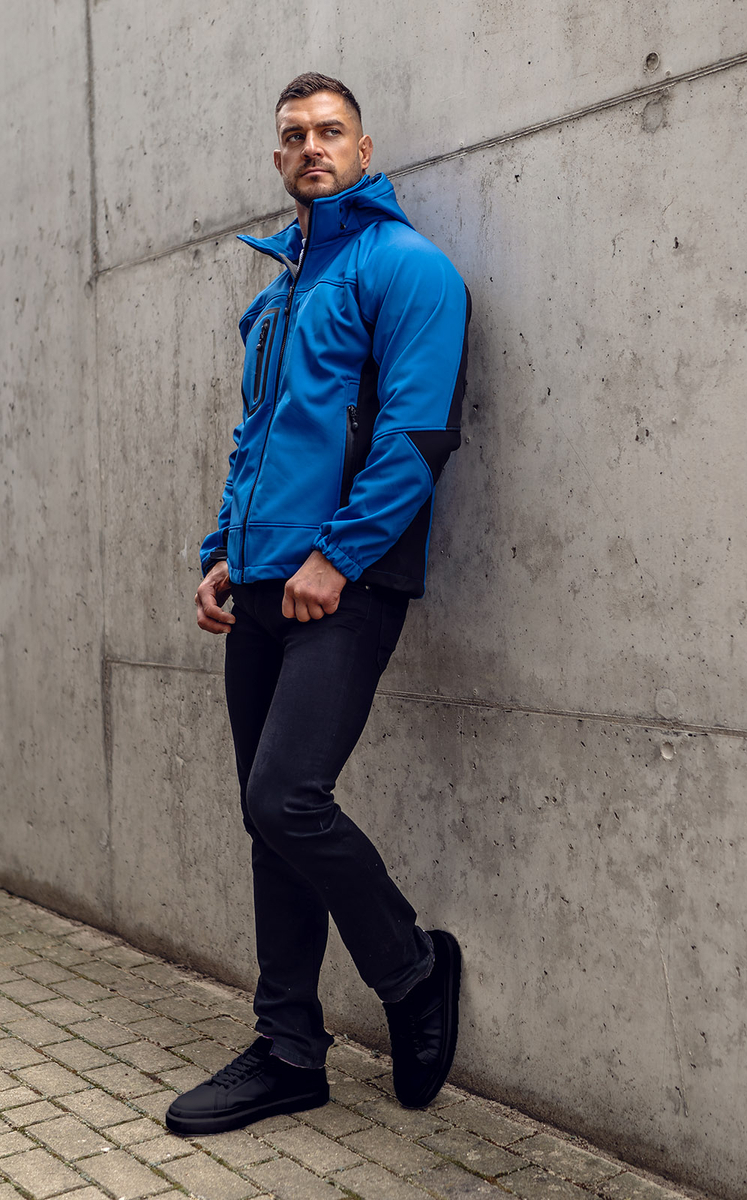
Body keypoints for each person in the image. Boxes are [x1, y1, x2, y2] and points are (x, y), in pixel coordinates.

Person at [165, 72, 470, 1137]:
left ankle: (412, 970)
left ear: (363, 148)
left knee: (286, 797)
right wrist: (222, 550)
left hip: (344, 584)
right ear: (278, 156)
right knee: (268, 820)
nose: (311, 147)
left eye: (329, 131)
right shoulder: (279, 293)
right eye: (293, 135)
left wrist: (336, 557)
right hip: (258, 583)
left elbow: (419, 436)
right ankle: (289, 1048)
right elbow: (255, 441)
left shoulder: (407, 267)